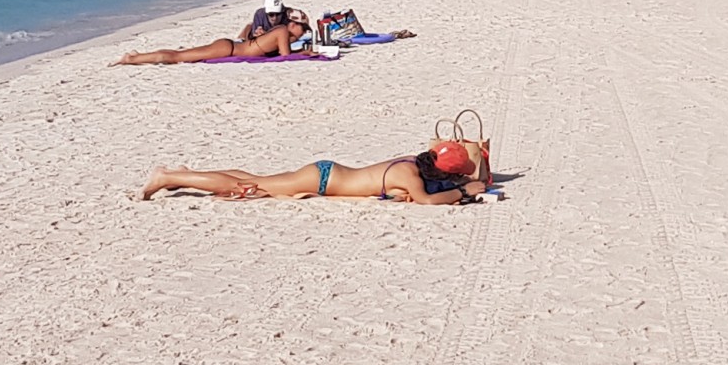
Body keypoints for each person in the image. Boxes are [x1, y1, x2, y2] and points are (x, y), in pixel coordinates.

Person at [139, 142, 481, 203]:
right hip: (321, 180)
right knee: (247, 184)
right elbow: (426, 202)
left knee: (253, 178)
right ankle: (168, 177)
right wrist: (466, 191)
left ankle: (186, 173)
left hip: (325, 174)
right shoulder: (410, 178)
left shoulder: (411, 163)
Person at [116, 17, 312, 65]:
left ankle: (137, 56)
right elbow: (285, 55)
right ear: (294, 25)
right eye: (303, 29)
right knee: (179, 57)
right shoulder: (282, 32)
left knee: (181, 54)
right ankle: (132, 58)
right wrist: (303, 54)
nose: (302, 34)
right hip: (228, 49)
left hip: (230, 46)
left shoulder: (278, 31)